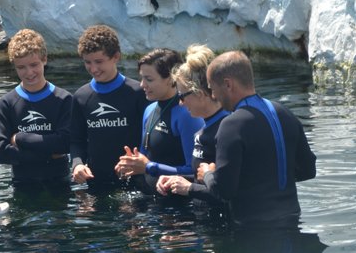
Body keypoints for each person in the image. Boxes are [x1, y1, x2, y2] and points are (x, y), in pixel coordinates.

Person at [196, 51, 317, 227]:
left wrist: (207, 174)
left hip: (252, 229)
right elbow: (308, 170)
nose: (213, 96)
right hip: (292, 220)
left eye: (212, 89)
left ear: (228, 85)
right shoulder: (285, 113)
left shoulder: (231, 125)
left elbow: (224, 190)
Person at [0, 29, 72, 191]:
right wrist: (50, 154)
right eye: (21, 67)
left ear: (45, 60)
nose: (29, 72)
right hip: (23, 185)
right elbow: (2, 153)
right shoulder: (6, 104)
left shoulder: (64, 99)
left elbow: (64, 144)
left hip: (60, 183)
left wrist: (20, 138)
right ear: (14, 65)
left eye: (34, 65)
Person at [115, 48, 204, 195]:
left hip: (177, 208)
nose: (142, 84)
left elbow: (195, 171)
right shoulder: (149, 110)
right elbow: (145, 157)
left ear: (170, 79)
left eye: (149, 79)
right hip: (151, 202)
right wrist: (131, 164)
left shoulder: (186, 114)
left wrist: (150, 167)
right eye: (142, 78)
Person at [70, 25, 149, 187]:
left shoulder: (138, 93)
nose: (93, 68)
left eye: (99, 62)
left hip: (135, 181)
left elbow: (151, 139)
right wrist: (77, 164)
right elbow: (77, 141)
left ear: (115, 57)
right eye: (88, 62)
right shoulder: (81, 97)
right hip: (96, 181)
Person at [156, 45, 229, 208]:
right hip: (204, 225)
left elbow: (230, 193)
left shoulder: (226, 130)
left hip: (221, 229)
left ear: (201, 94)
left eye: (182, 96)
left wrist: (189, 189)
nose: (180, 103)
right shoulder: (206, 127)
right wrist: (175, 179)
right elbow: (201, 179)